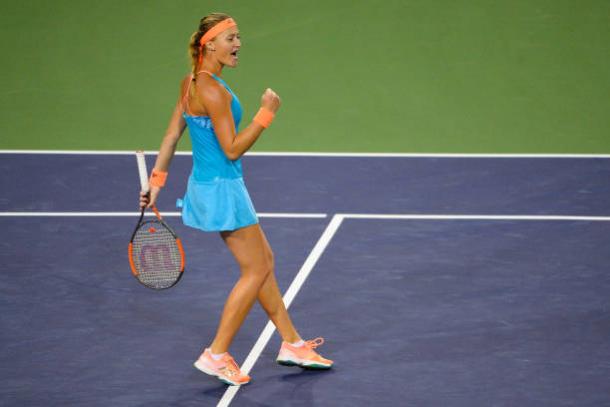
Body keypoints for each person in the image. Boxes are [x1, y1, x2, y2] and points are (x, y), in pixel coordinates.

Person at [139, 13, 332, 386]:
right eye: (231, 38)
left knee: (265, 261)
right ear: (209, 44)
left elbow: (169, 137)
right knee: (255, 270)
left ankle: (291, 343)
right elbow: (231, 150)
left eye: (238, 37)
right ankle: (216, 354)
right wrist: (266, 115)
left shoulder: (190, 83)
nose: (238, 44)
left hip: (213, 187)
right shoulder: (213, 90)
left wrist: (156, 182)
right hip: (222, 189)